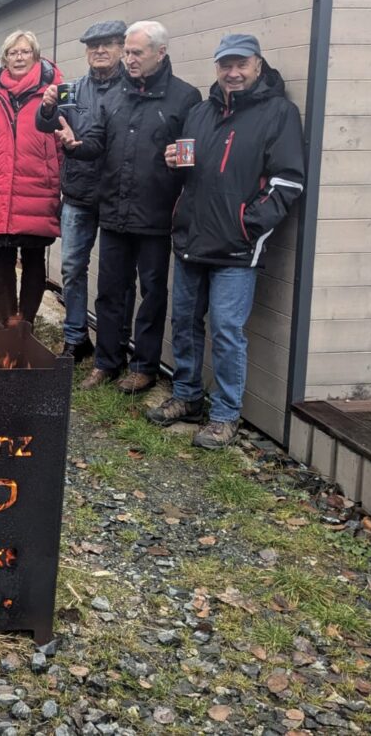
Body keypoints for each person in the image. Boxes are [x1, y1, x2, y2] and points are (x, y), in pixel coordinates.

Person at [146, 34, 304, 449]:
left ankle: (224, 415)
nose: (233, 73)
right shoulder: (200, 113)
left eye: (241, 65)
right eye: (225, 65)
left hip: (236, 247)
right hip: (190, 240)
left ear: (258, 65)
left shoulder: (279, 113)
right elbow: (187, 171)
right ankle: (186, 397)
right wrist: (172, 164)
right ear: (216, 68)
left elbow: (288, 182)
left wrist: (248, 224)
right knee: (184, 323)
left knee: (227, 330)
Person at [55, 21, 201, 394]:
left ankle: (144, 367)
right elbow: (97, 144)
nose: (130, 59)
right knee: (109, 290)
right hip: (114, 212)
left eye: (137, 53)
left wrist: (180, 161)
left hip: (155, 215)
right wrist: (75, 144)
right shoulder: (115, 95)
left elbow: (194, 151)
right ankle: (107, 362)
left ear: (160, 53)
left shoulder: (185, 98)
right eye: (129, 52)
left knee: (151, 292)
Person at [36, 20, 127, 361]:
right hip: (77, 193)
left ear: (121, 48)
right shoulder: (71, 90)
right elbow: (44, 125)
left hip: (118, 195)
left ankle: (113, 342)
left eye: (107, 45)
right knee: (72, 267)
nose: (99, 51)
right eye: (93, 46)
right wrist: (46, 106)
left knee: (116, 276)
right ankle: (76, 337)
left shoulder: (132, 89)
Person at [0, 30, 62, 328]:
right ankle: (4, 327)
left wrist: (63, 189)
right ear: (4, 59)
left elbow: (61, 143)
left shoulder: (53, 92)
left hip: (37, 189)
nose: (19, 58)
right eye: (13, 53)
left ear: (36, 56)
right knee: (1, 260)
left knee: (33, 260)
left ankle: (25, 326)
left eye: (25, 52)